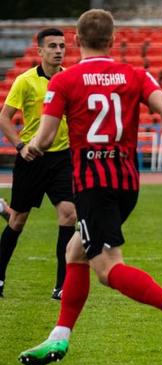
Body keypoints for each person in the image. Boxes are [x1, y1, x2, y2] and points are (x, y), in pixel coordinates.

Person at [17, 9, 162, 365]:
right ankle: (59, 338)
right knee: (75, 251)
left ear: (75, 40)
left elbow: (46, 135)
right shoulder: (135, 74)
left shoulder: (65, 80)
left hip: (92, 184)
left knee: (106, 269)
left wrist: (33, 147)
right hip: (126, 182)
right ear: (114, 40)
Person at [0, 28, 76, 300]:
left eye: (62, 46)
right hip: (32, 158)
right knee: (18, 221)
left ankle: (62, 285)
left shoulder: (70, 79)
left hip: (62, 158)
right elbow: (4, 118)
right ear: (40, 51)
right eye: (52, 46)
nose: (58, 50)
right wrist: (20, 147)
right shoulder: (25, 81)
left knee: (69, 215)